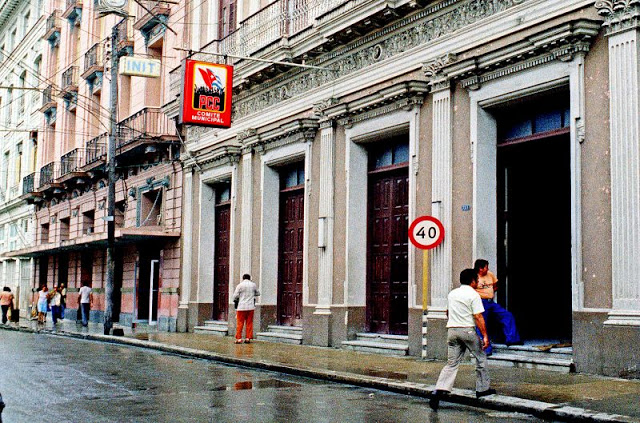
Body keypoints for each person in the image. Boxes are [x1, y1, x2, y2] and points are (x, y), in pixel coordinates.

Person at [429, 268, 496, 411]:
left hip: (452, 330)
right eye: (477, 280)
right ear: (472, 281)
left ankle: (438, 390)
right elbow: (478, 317)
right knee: (481, 358)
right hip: (467, 330)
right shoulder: (474, 295)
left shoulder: (452, 294)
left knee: (451, 363)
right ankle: (482, 389)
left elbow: (447, 312)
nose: (478, 282)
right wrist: (485, 336)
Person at [473, 259, 521, 355]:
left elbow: (495, 286)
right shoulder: (474, 277)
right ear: (480, 269)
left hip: (491, 302)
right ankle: (486, 349)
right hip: (480, 302)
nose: (488, 269)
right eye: (486, 267)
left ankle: (512, 339)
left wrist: (490, 293)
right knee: (482, 324)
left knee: (507, 315)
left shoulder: (490, 274)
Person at [232, 274, 260, 344]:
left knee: (240, 323)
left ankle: (239, 338)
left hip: (241, 307)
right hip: (250, 307)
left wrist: (238, 298)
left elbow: (235, 296)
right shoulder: (253, 285)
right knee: (249, 323)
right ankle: (248, 338)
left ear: (243, 278)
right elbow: (258, 293)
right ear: (250, 278)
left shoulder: (240, 285)